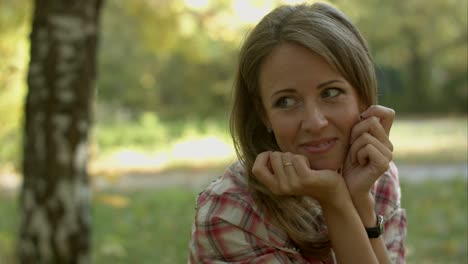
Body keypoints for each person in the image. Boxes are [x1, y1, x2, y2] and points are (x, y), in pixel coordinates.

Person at [188, 2, 407, 263]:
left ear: (361, 97)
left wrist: (361, 203)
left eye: (330, 93)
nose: (315, 122)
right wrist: (334, 197)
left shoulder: (376, 177)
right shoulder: (229, 213)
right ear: (263, 113)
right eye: (287, 101)